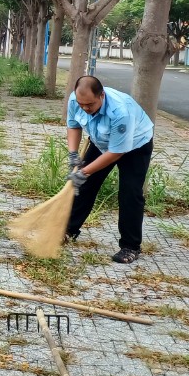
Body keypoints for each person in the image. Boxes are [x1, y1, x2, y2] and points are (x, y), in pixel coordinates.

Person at [64, 74, 155, 264]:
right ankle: (69, 230)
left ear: (101, 96)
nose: (85, 109)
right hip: (101, 142)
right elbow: (73, 126)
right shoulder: (76, 100)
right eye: (81, 105)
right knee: (85, 186)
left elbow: (116, 152)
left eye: (89, 105)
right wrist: (73, 154)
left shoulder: (121, 111)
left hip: (135, 146)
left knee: (130, 192)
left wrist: (84, 171)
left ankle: (130, 246)